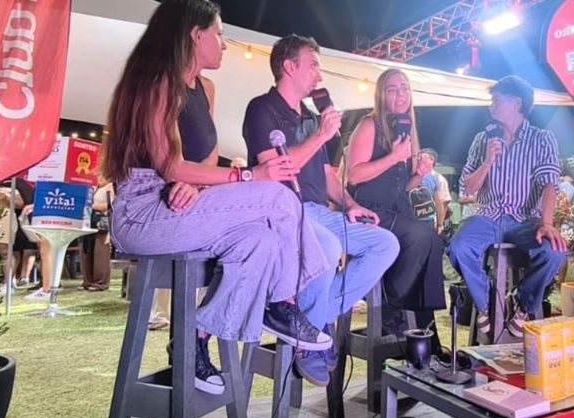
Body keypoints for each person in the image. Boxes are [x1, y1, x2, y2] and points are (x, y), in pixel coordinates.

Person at [104, 0, 332, 395]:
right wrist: (247, 174)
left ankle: (194, 338)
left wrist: (201, 182)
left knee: (259, 242)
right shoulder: (157, 81)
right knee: (278, 199)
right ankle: (284, 303)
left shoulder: (205, 88)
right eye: (220, 34)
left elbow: (202, 158)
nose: (224, 44)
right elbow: (169, 165)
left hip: (185, 202)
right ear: (196, 34)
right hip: (143, 210)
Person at [242, 34, 399, 386]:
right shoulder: (262, 109)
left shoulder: (314, 119)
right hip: (283, 210)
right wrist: (321, 136)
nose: (319, 74)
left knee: (386, 244)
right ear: (289, 66)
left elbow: (328, 176)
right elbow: (278, 170)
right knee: (327, 247)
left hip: (319, 211)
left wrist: (352, 204)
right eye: (313, 64)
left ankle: (311, 323)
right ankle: (309, 341)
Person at [448, 75, 568, 338]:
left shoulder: (542, 139)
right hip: (488, 216)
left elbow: (550, 184)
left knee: (555, 253)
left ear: (516, 103)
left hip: (526, 220)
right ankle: (485, 304)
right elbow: (468, 188)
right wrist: (488, 162)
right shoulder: (483, 139)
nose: (492, 105)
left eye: (497, 100)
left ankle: (522, 302)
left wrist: (546, 223)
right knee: (458, 247)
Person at [346, 68, 446, 348]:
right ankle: (390, 304)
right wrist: (394, 157)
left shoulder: (407, 129)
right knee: (423, 236)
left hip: (396, 208)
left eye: (404, 88)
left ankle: (427, 337)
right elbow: (354, 175)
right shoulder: (370, 125)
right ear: (381, 95)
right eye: (392, 89)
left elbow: (402, 187)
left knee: (430, 241)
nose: (400, 94)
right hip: (367, 209)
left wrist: (419, 174)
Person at [81, 183, 113, 291]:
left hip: (101, 222)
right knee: (86, 250)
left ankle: (100, 282)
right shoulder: (93, 188)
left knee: (100, 252)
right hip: (88, 221)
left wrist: (92, 205)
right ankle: (87, 280)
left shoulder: (110, 186)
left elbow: (110, 204)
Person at [417, 148, 453, 233]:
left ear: (431, 160)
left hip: (430, 221)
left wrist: (440, 225)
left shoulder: (439, 179)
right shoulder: (414, 175)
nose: (419, 159)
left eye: (421, 157)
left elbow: (443, 204)